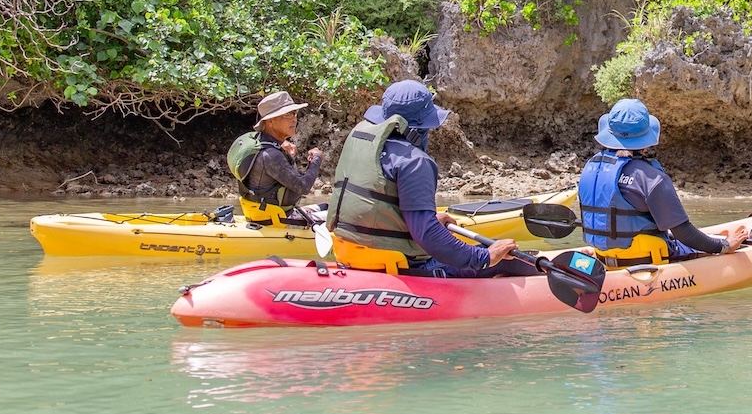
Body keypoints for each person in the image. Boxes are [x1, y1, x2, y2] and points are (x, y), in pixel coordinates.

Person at [325, 80, 531, 277]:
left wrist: (426, 220)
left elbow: (374, 207)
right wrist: (485, 257)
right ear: (419, 128)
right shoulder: (414, 162)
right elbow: (427, 235)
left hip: (350, 254)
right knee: (509, 258)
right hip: (401, 266)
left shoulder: (362, 141)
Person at [577, 98, 748, 263]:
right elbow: (685, 233)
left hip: (603, 255)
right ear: (644, 143)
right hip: (645, 260)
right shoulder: (651, 178)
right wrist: (724, 246)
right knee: (695, 245)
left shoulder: (590, 169)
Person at [226, 90, 323, 225]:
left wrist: (282, 145)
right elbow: (303, 187)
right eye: (287, 114)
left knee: (326, 206)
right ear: (270, 121)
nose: (294, 119)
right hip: (278, 219)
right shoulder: (272, 155)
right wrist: (316, 160)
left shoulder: (261, 143)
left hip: (262, 212)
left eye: (294, 113)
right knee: (337, 216)